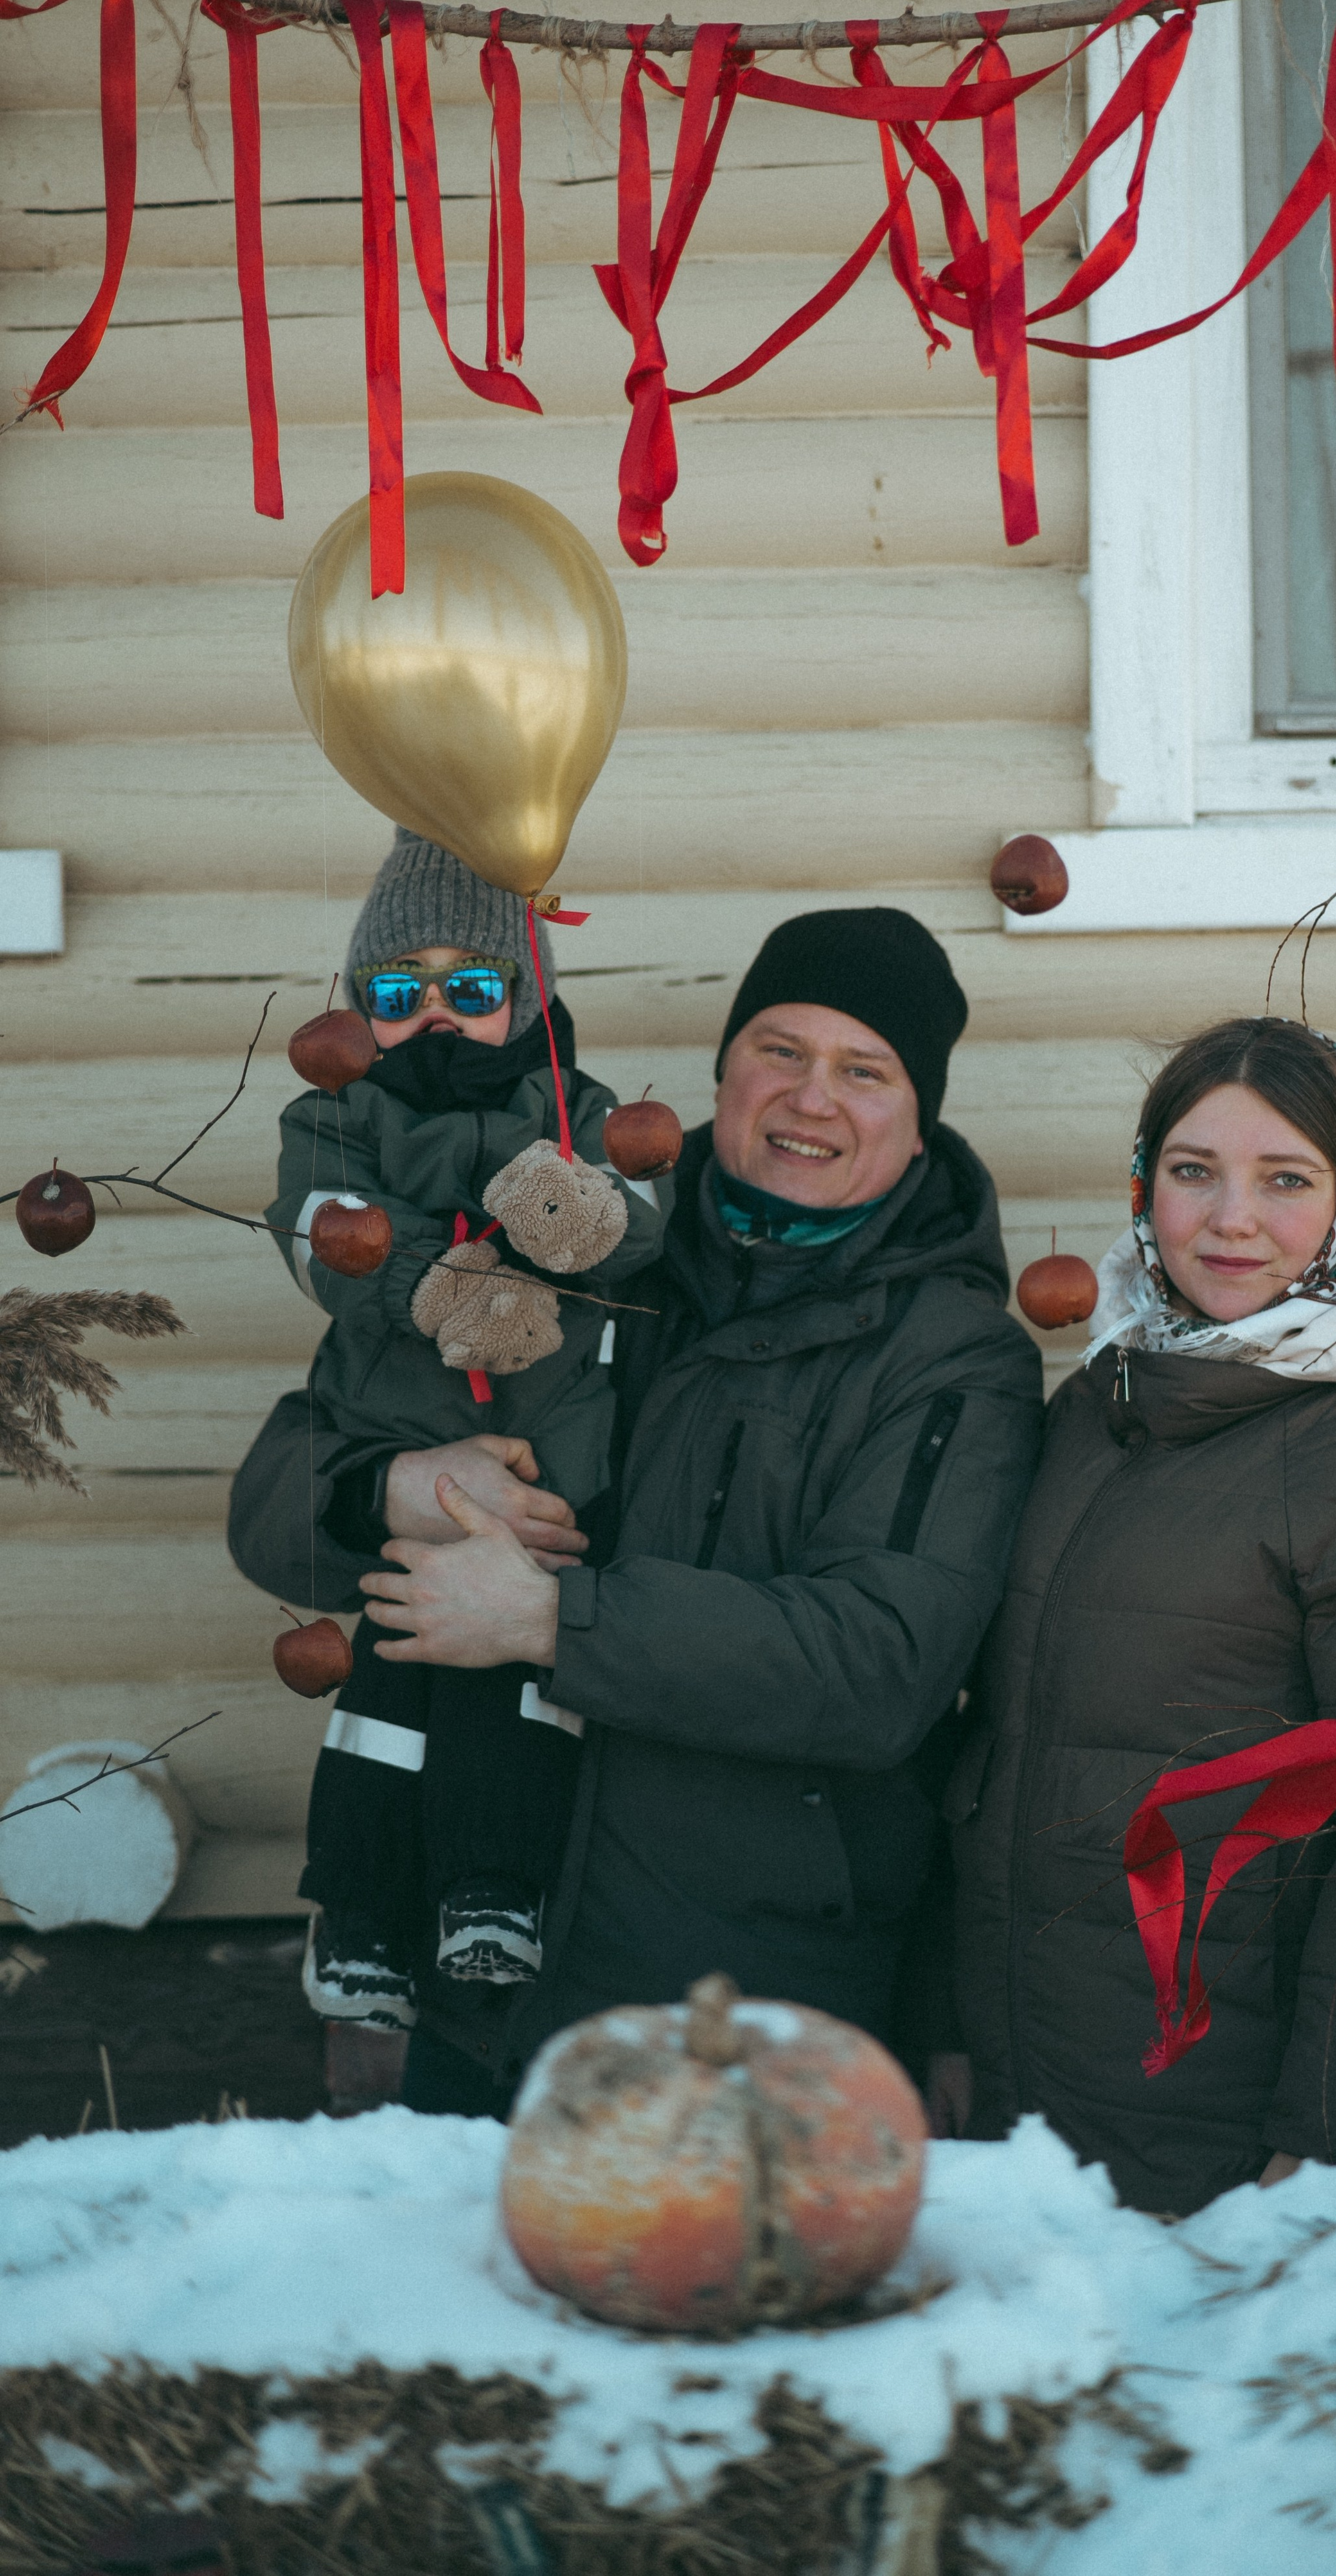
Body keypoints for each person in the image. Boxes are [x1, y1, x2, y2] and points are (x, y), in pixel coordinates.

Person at [229, 906, 1045, 2115]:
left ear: (917, 1119)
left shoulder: (952, 1357)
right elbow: (270, 1509)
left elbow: (879, 1668)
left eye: (864, 1071)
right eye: (779, 1049)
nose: (812, 1098)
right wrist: (389, 1487)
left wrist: (555, 1619)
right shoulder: (586, 1245)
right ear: (724, 1074)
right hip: (490, 1974)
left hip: (749, 2003)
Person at [950, 1016, 1336, 2216]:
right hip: (1037, 2089)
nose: (1230, 1221)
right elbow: (1005, 1747)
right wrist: (948, 2022)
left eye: (1286, 1181)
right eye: (1192, 1172)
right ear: (1144, 1183)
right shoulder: (1109, 1402)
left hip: (1234, 2131)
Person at [261, 828, 668, 2031]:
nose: (435, 1014)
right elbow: (317, 1230)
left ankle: (494, 1890)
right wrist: (427, 1284)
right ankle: (362, 1913)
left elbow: (643, 1216)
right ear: (361, 1009)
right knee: (385, 1697)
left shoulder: (583, 1110)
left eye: (472, 989)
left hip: (549, 1474)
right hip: (406, 1460)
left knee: (512, 1690)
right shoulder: (337, 1118)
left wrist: (584, 1216)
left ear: (527, 996)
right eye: (400, 992)